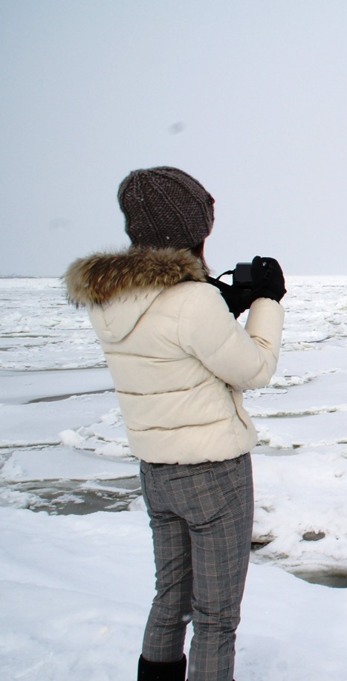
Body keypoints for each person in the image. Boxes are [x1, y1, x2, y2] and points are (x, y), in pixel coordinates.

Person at [64, 167, 286, 681]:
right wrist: (266, 302)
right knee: (215, 619)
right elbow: (253, 369)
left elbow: (170, 340)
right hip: (214, 474)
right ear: (193, 226)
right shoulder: (192, 301)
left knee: (170, 600)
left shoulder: (110, 299)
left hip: (157, 472)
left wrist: (223, 304)